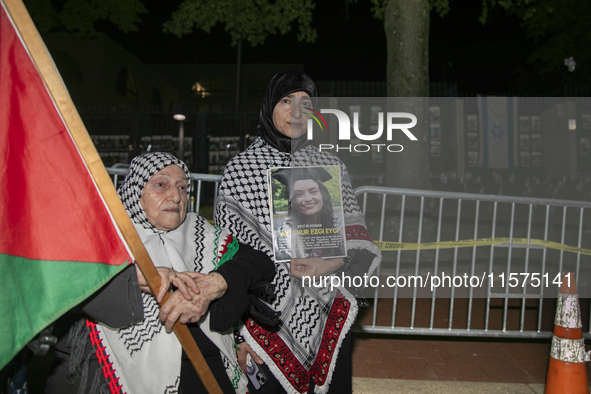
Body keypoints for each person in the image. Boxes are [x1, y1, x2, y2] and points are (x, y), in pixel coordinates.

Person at [45, 152, 275, 394]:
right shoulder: (105, 236)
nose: (176, 196)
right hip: (117, 372)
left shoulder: (201, 233)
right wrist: (133, 276)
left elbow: (259, 263)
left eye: (183, 187)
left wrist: (217, 282)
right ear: (137, 192)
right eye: (160, 185)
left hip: (207, 369)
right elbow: (60, 280)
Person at [216, 70, 382, 393]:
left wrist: (329, 263)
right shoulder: (240, 171)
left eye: (305, 103)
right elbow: (226, 256)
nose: (295, 113)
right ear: (269, 106)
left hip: (328, 313)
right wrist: (235, 334)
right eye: (286, 101)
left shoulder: (330, 166)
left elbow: (359, 241)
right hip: (264, 323)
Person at [271, 167, 346, 261]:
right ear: (292, 200)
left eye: (313, 191)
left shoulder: (340, 228)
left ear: (322, 195)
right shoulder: (281, 238)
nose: (307, 199)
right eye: (299, 194)